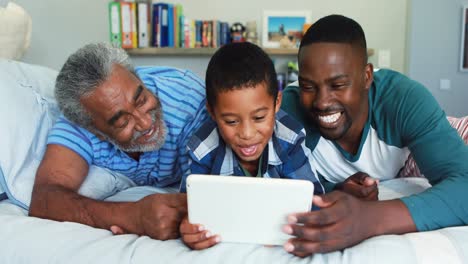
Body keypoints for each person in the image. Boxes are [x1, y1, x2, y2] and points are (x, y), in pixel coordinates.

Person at [280, 14, 468, 257]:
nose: (322, 102)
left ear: (367, 76)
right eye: (307, 86)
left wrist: (368, 219)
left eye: (338, 85)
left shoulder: (403, 99)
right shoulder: (287, 113)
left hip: (411, 158)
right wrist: (335, 188)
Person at [29, 42, 208, 240]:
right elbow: (44, 199)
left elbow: (209, 193)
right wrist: (131, 216)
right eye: (123, 122)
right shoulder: (80, 122)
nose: (146, 122)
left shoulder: (189, 100)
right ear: (95, 130)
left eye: (141, 100)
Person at [178, 42, 325, 250]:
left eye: (259, 117)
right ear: (212, 111)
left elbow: (314, 201)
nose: (247, 134)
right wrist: (189, 227)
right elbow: (189, 208)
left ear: (276, 103)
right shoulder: (202, 149)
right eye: (231, 121)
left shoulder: (289, 140)